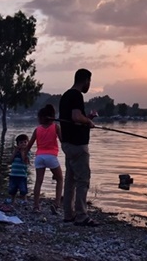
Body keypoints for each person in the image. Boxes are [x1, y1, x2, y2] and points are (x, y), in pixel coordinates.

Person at [59, 68, 97, 226]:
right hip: (78, 145)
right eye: (90, 82)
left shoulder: (65, 96)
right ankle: (81, 216)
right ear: (86, 80)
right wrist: (88, 122)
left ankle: (69, 214)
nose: (89, 85)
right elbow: (75, 117)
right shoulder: (76, 95)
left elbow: (73, 119)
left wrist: (86, 118)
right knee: (83, 180)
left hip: (67, 144)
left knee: (70, 180)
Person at [27, 104, 63, 213]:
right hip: (51, 157)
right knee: (60, 179)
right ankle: (57, 204)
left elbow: (29, 146)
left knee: (38, 181)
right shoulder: (56, 127)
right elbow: (63, 141)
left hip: (39, 157)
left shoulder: (37, 129)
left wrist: (24, 156)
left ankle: (36, 206)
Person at [5, 134, 30, 207]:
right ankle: (12, 200)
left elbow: (24, 161)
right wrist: (15, 152)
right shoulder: (15, 153)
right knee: (12, 189)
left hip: (22, 175)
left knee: (23, 189)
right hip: (13, 174)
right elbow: (10, 160)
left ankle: (24, 200)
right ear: (18, 144)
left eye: (25, 142)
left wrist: (22, 152)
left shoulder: (27, 152)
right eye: (21, 142)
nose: (23, 144)